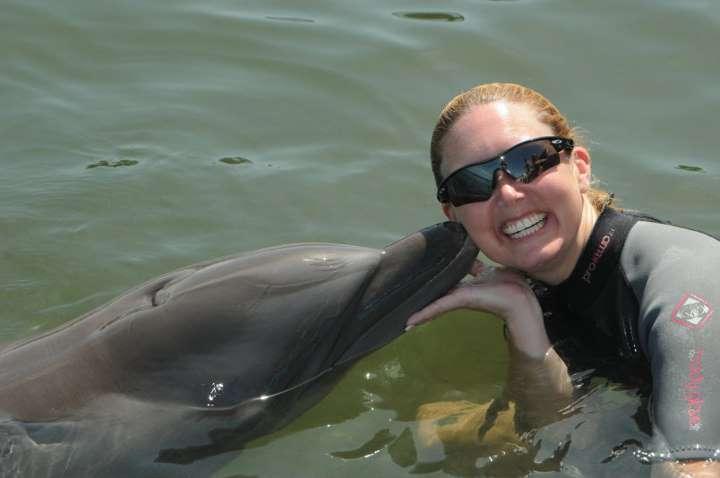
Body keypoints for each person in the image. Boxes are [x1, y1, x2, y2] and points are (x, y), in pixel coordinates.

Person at [406, 82, 720, 477]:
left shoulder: (684, 275)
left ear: (580, 168)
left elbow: (693, 463)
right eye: (472, 184)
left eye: (531, 161)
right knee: (439, 430)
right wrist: (523, 319)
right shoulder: (538, 288)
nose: (508, 193)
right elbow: (550, 430)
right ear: (454, 215)